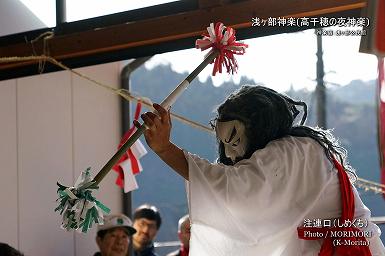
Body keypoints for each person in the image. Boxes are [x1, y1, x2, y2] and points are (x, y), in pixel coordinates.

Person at [136, 85, 385, 256]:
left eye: (234, 139)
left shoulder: (293, 151)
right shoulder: (301, 151)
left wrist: (165, 149)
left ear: (259, 125)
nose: (230, 153)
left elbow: (234, 189)